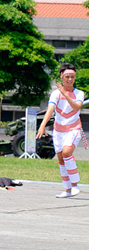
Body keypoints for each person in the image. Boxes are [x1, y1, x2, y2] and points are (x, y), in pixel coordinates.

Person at [37, 63, 86, 198]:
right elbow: (51, 109)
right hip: (58, 131)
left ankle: (75, 184)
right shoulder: (55, 94)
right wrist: (42, 125)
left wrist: (65, 93)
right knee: (61, 159)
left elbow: (76, 107)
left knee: (66, 152)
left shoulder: (79, 93)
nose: (70, 79)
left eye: (72, 77)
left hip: (74, 129)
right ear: (61, 77)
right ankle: (67, 189)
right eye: (67, 77)